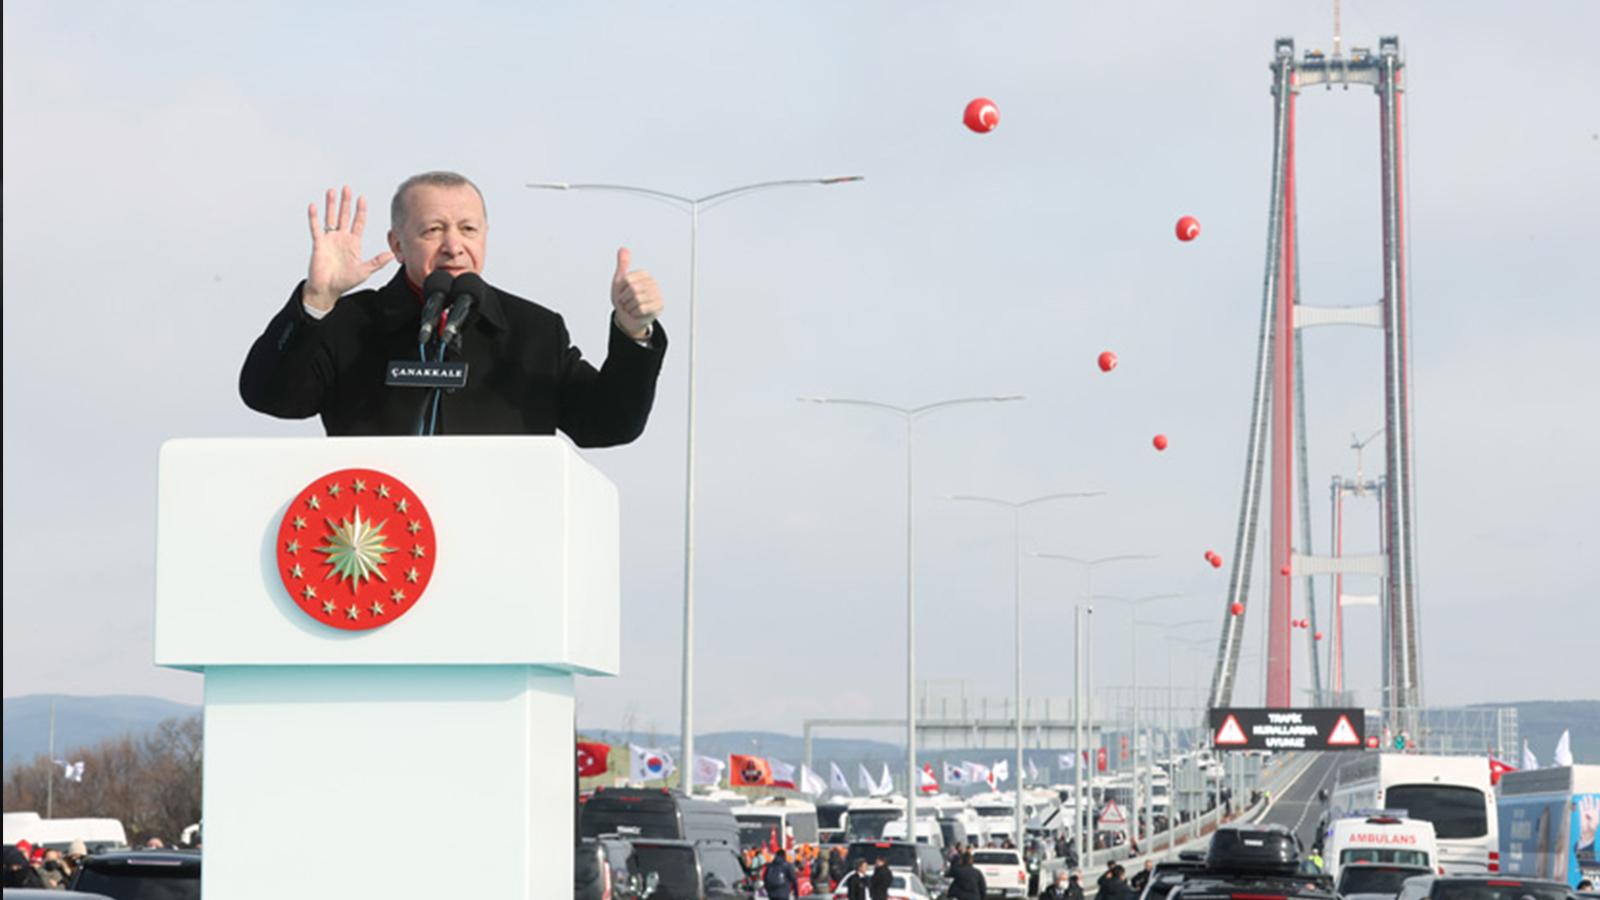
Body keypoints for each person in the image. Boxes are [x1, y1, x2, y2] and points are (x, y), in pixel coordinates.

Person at [240, 174, 667, 441]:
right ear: (396, 244)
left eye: (467, 229)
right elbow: (271, 397)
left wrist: (633, 333)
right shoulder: (349, 323)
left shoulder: (533, 330)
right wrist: (317, 300)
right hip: (379, 557)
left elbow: (609, 424)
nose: (453, 245)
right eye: (433, 229)